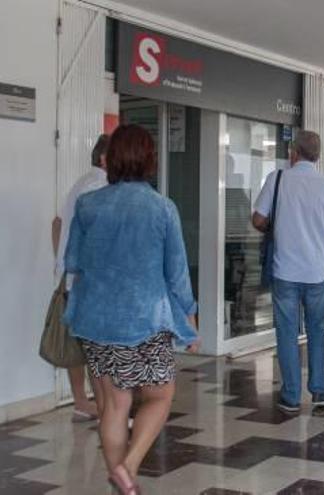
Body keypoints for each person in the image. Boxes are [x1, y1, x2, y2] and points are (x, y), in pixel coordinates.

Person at [63, 125, 200, 494]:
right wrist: (189, 315)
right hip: (144, 320)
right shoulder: (161, 207)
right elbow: (177, 271)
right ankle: (128, 467)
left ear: (113, 160)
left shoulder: (88, 205)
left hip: (93, 320)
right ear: (149, 160)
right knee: (159, 396)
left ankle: (124, 485)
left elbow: (73, 260)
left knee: (114, 404)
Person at [252, 131, 324, 414]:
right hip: (317, 271)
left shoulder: (277, 179)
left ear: (294, 152)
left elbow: (258, 219)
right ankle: (319, 390)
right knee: (317, 330)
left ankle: (291, 396)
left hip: (285, 271)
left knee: (287, 332)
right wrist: (318, 229)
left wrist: (278, 227)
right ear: (318, 155)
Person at [52, 134, 109, 422]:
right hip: (88, 278)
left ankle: (81, 401)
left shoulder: (82, 181)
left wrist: (60, 263)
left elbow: (58, 222)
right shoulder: (100, 186)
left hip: (72, 274)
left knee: (77, 341)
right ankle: (103, 407)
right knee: (94, 343)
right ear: (105, 159)